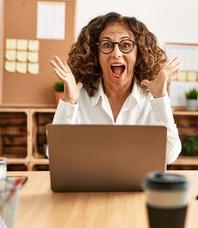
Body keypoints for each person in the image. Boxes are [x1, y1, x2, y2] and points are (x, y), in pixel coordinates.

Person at [50, 12, 182, 164]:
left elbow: (169, 156)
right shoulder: (79, 97)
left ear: (139, 53)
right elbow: (55, 155)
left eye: (126, 45)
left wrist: (161, 98)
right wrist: (69, 102)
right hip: (90, 185)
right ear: (95, 54)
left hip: (139, 187)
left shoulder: (153, 99)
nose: (116, 53)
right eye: (107, 45)